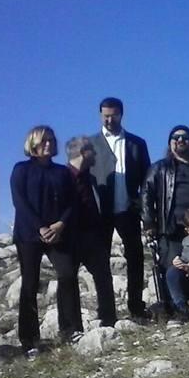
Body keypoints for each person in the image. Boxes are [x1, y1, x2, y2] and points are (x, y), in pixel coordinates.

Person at [10, 126, 82, 355]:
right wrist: (39, 227)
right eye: (43, 140)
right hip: (29, 235)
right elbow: (19, 202)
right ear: (32, 144)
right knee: (30, 283)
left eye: (51, 140)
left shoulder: (62, 172)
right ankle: (29, 338)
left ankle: (70, 329)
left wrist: (61, 224)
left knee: (68, 275)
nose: (48, 144)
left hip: (59, 233)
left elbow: (73, 202)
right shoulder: (21, 170)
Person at [142, 125, 189, 312]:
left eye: (185, 137)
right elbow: (146, 195)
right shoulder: (159, 168)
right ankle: (178, 309)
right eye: (176, 137)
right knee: (173, 269)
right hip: (172, 230)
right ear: (170, 143)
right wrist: (149, 222)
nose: (180, 140)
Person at [90, 97, 152, 321]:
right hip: (100, 214)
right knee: (101, 262)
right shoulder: (90, 144)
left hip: (129, 210)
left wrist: (142, 205)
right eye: (105, 115)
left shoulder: (137, 143)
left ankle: (136, 307)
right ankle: (106, 313)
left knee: (135, 258)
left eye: (113, 115)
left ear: (121, 115)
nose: (109, 119)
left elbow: (147, 178)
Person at [66, 136, 117, 327]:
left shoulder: (91, 178)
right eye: (92, 151)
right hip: (71, 237)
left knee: (103, 275)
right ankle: (72, 326)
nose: (95, 154)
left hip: (93, 236)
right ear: (83, 152)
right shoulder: (63, 177)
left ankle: (108, 318)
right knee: (68, 279)